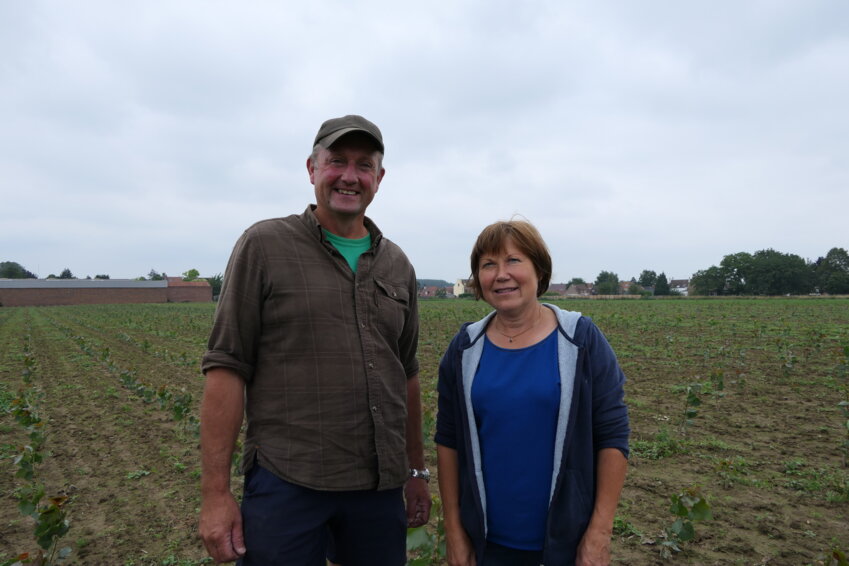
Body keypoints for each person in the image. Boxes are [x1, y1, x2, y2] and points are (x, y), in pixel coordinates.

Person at [199, 115, 431, 565]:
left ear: (379, 179)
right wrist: (215, 494)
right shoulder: (264, 246)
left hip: (378, 489)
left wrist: (416, 471)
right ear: (312, 169)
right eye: (336, 161)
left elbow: (407, 375)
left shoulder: (396, 264)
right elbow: (227, 366)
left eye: (364, 165)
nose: (349, 175)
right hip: (289, 482)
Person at [435, 220, 629, 566]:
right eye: (488, 265)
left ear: (538, 269)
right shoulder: (464, 348)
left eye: (513, 260)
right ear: (478, 279)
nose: (501, 274)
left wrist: (600, 531)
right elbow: (448, 441)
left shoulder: (581, 340)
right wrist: (454, 530)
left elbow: (612, 435)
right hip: (487, 544)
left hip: (566, 543)